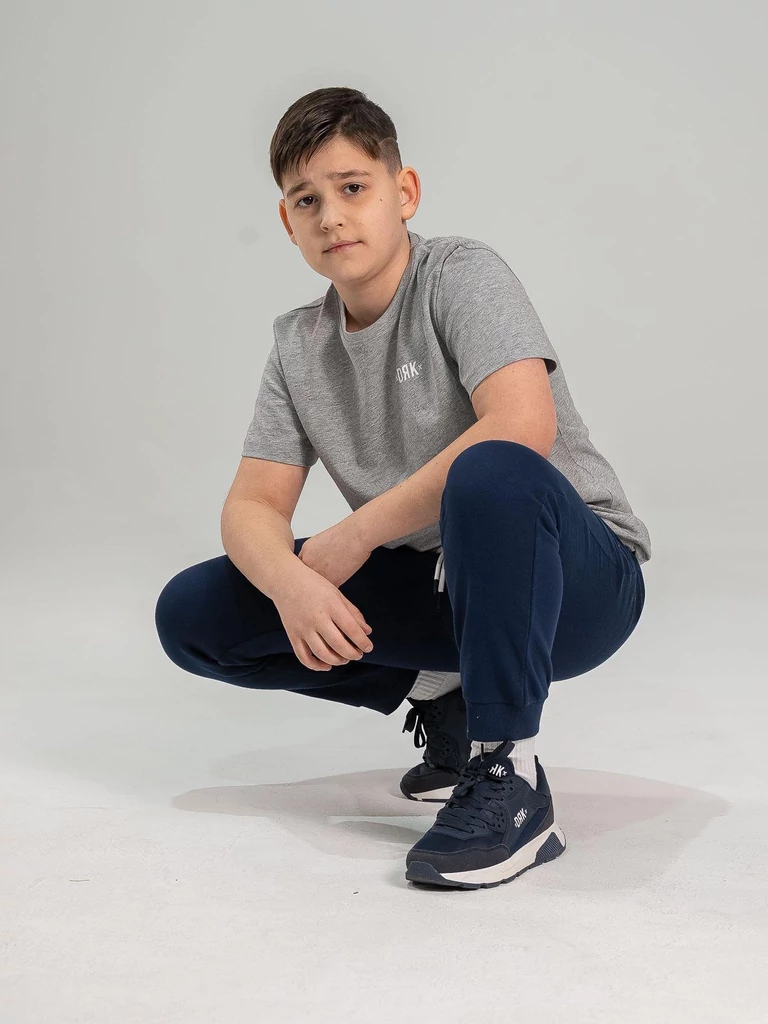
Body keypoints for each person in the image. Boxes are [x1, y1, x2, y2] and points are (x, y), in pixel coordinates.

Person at [154, 86, 650, 892]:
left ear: (404, 191)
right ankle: (445, 695)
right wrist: (292, 587)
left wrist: (353, 537)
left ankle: (511, 775)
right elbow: (251, 506)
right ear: (287, 222)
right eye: (306, 200)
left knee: (488, 467)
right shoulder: (298, 345)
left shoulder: (460, 274)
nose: (331, 216)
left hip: (576, 582)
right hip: (444, 586)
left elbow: (522, 426)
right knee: (195, 614)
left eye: (353, 187)